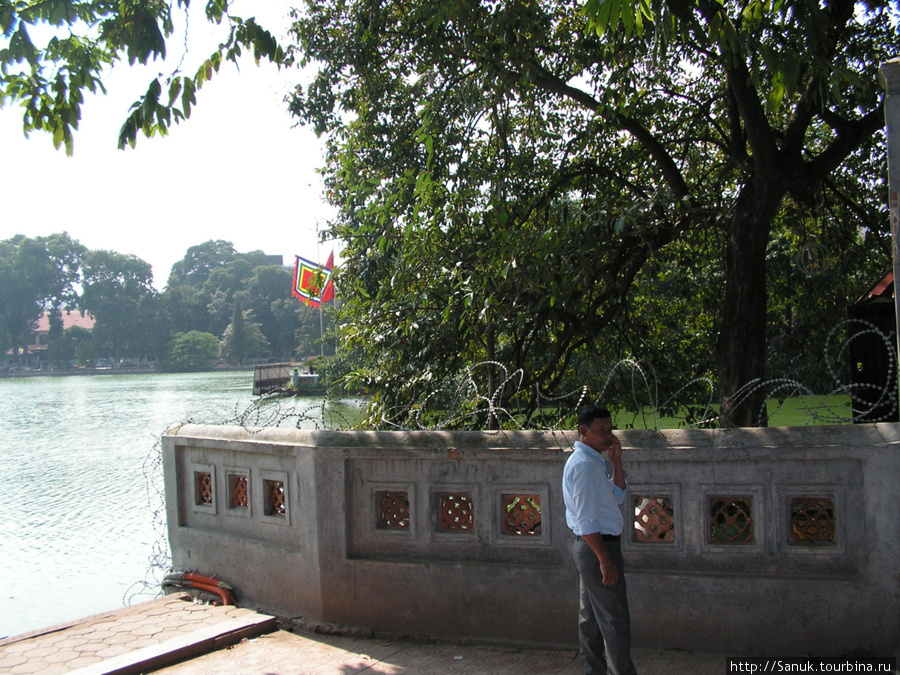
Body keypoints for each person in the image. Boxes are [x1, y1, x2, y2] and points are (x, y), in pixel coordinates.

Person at [562, 405, 636, 675]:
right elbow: (587, 520)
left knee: (592, 619)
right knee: (613, 619)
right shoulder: (584, 466)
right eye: (601, 430)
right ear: (583, 432)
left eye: (610, 429)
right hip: (597, 547)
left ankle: (593, 670)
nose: (608, 436)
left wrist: (616, 462)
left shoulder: (594, 461)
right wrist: (605, 560)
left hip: (595, 546)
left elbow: (616, 498)